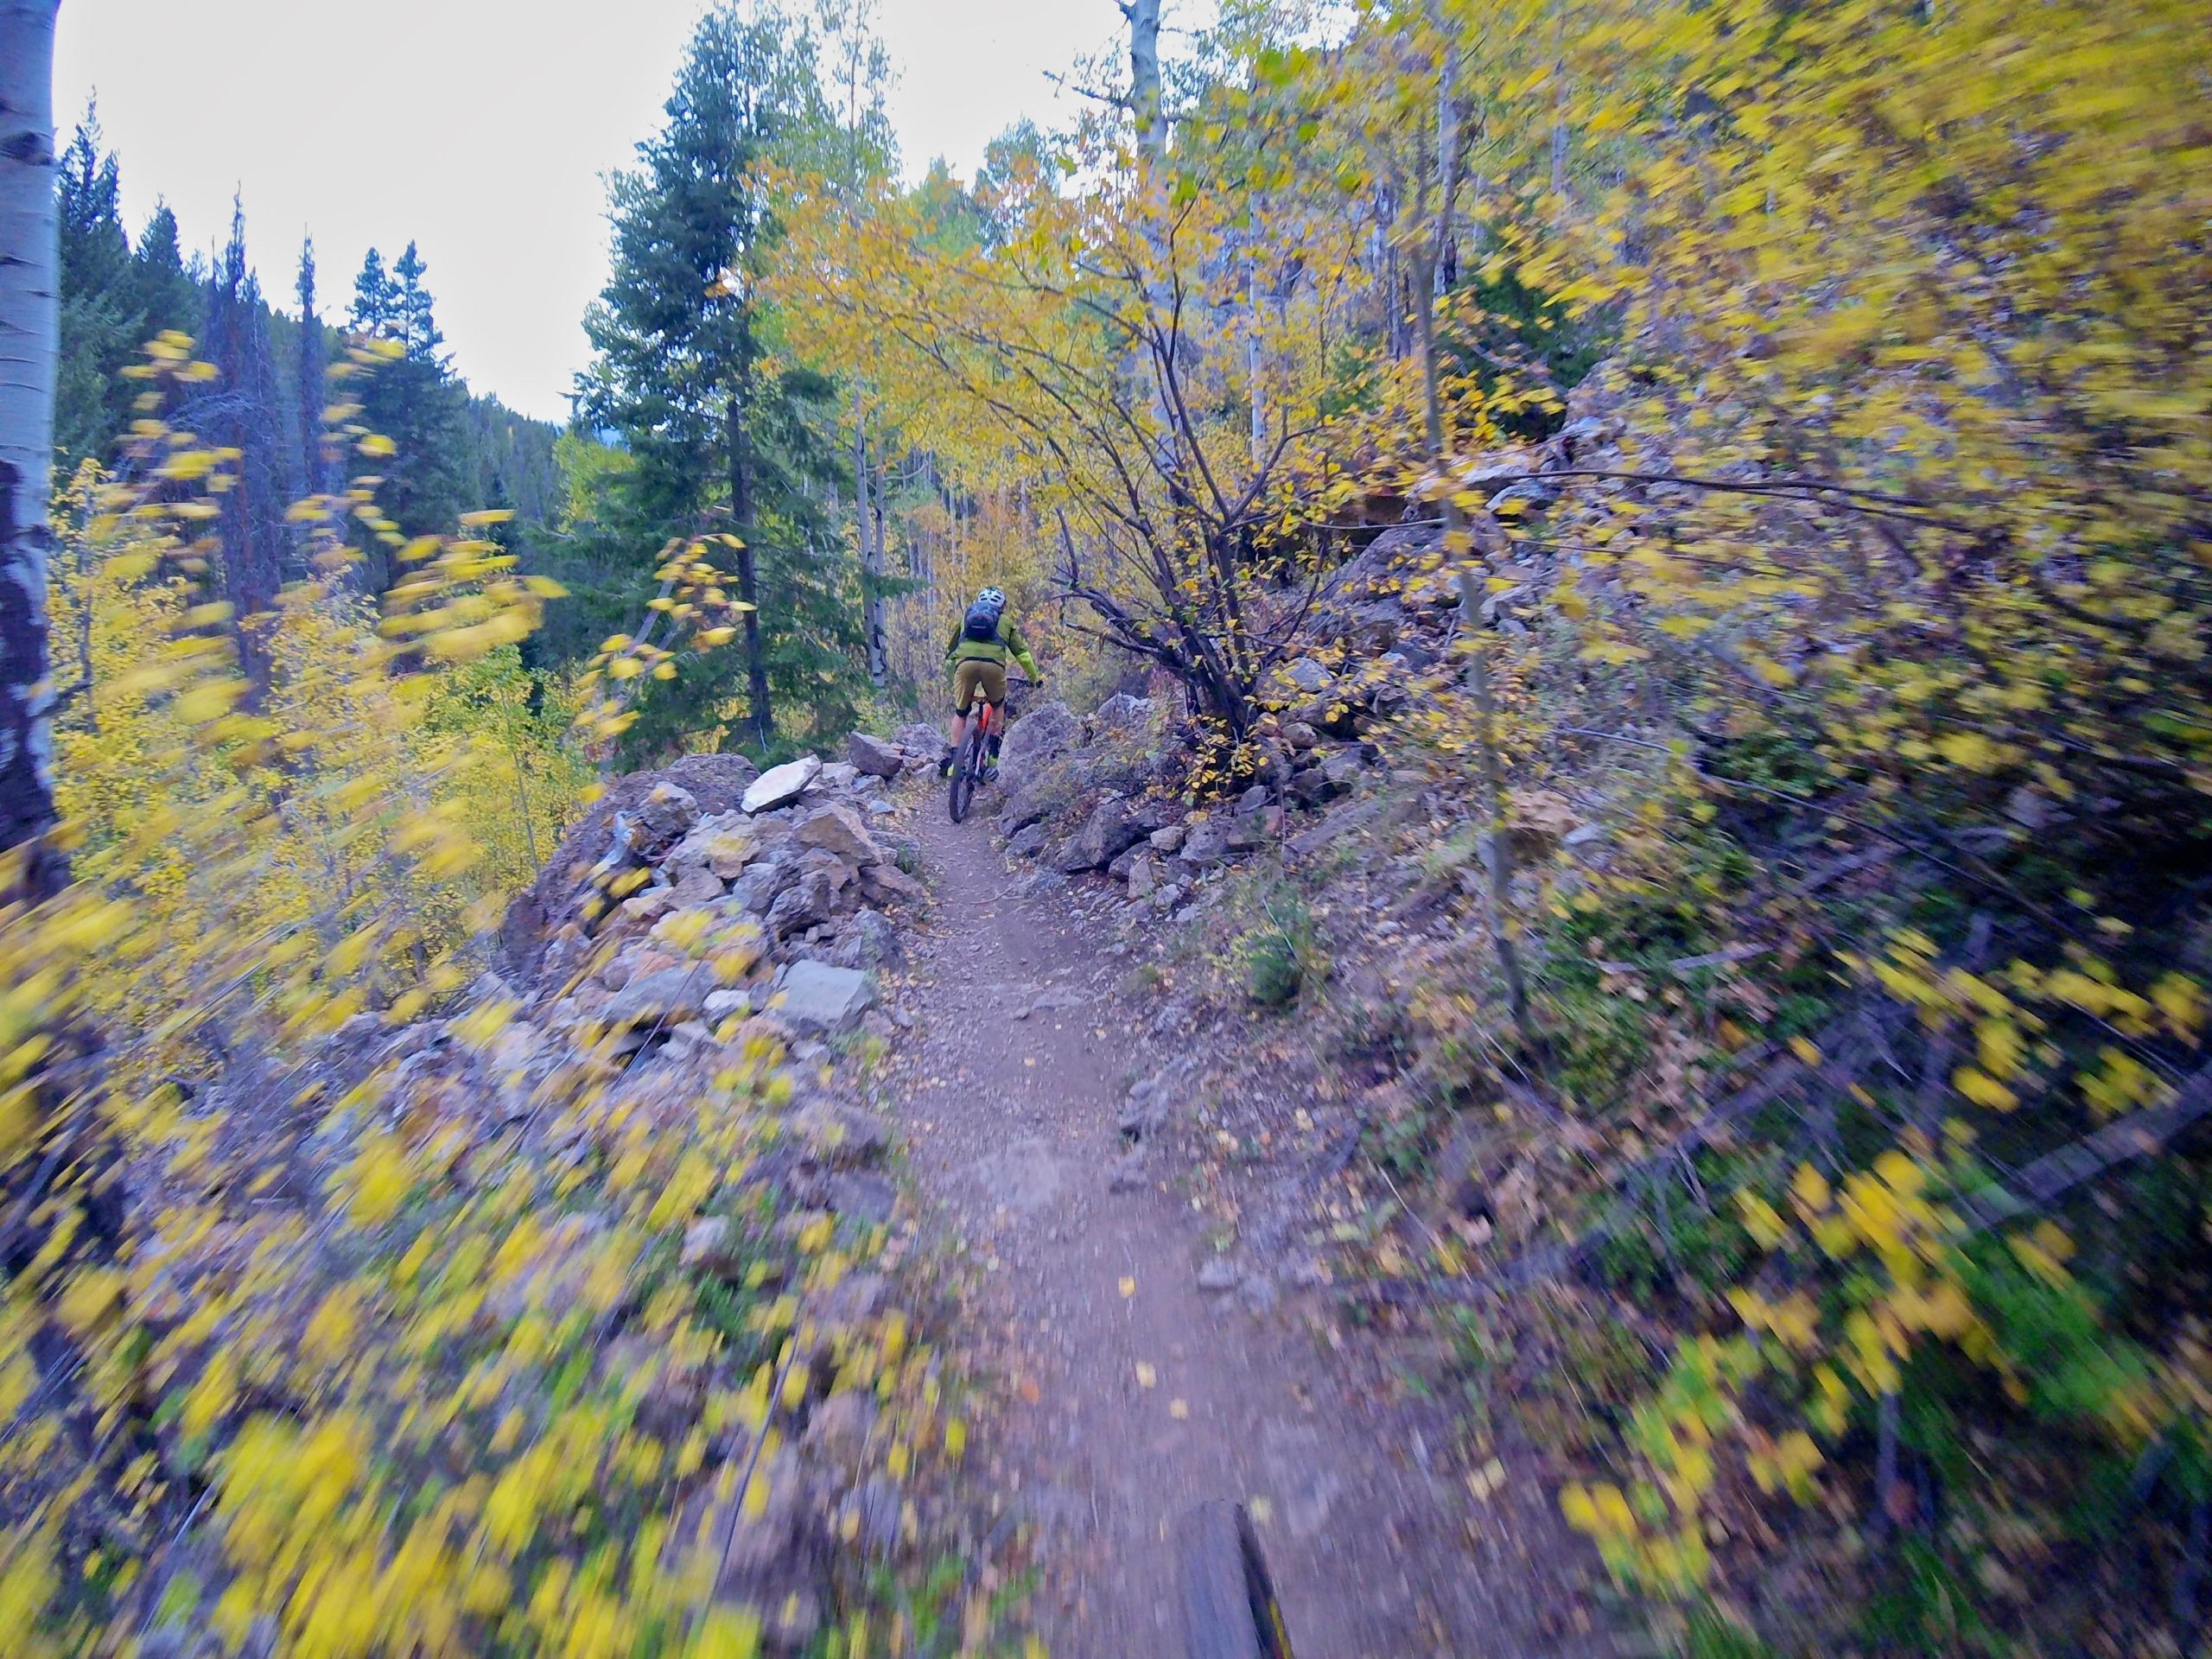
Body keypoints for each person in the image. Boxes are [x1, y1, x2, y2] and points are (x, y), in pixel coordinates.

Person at [941, 587, 1040, 780]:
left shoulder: (966, 617)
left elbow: (951, 649)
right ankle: (993, 760)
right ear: (1002, 607)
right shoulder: (1005, 622)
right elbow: (1023, 656)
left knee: (961, 713)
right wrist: (1034, 679)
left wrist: (952, 671)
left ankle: (955, 764)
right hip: (993, 668)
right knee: (997, 705)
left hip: (965, 665)